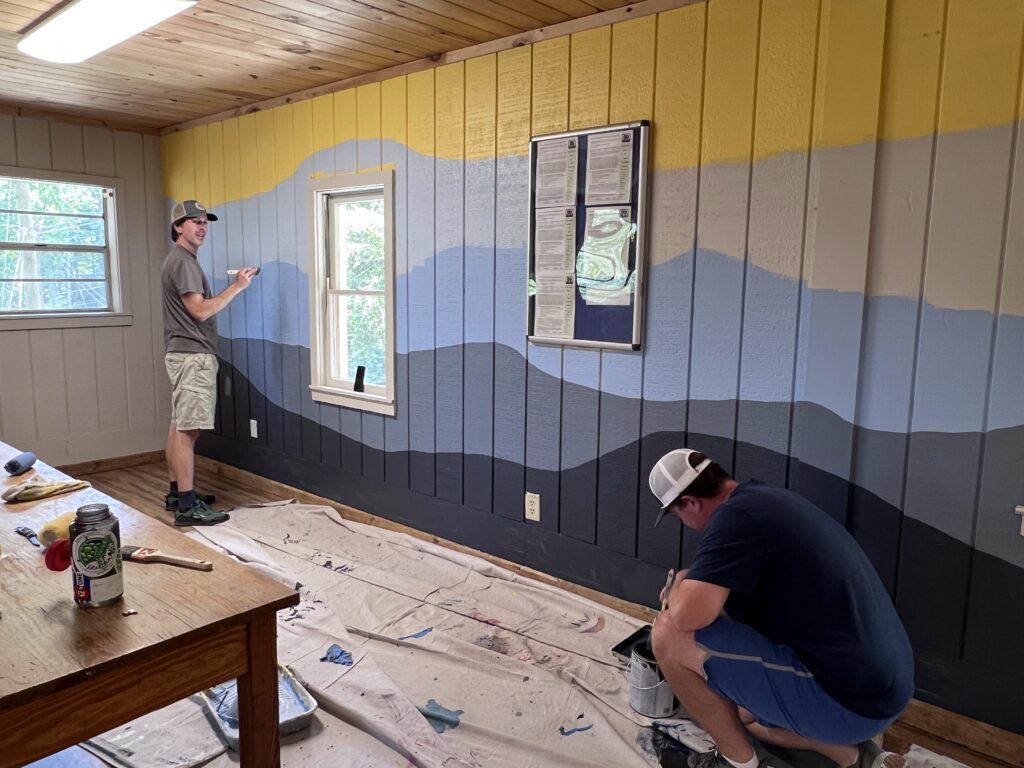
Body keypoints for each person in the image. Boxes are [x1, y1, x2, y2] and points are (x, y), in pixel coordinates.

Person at [648, 449, 913, 768]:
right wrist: (690, 583)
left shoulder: (735, 518)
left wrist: (678, 585)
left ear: (690, 502)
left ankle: (735, 764)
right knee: (740, 713)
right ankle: (854, 756)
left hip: (851, 704)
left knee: (667, 635)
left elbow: (688, 616)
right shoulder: (765, 499)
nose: (685, 524)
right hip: (881, 693)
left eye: (677, 515)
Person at [161, 199, 257, 526]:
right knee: (188, 432)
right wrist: (238, 286)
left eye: (205, 221)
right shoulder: (184, 263)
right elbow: (200, 311)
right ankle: (188, 508)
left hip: (181, 354)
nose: (202, 226)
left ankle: (178, 494)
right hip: (192, 356)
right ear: (178, 227)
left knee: (179, 426)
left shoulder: (179, 260)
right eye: (194, 221)